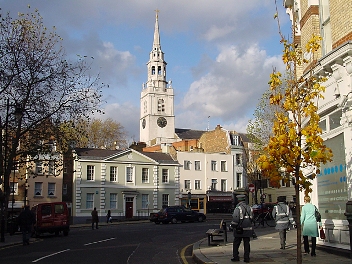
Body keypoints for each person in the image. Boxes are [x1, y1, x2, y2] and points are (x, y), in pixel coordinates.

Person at [231, 195, 253, 263]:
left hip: (239, 229)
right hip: (248, 228)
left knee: (236, 243)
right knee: (246, 244)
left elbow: (235, 219)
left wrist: (232, 226)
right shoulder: (249, 207)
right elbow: (252, 218)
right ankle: (247, 258)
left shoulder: (238, 208)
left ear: (238, 200)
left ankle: (236, 257)